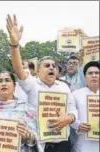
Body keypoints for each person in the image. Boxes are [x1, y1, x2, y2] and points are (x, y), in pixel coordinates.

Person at [6, 14, 77, 152]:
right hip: (39, 145)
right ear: (37, 71)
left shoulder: (63, 87)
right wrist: (14, 45)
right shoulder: (31, 84)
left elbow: (72, 109)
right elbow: (18, 68)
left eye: (53, 65)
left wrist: (69, 118)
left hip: (62, 144)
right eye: (47, 65)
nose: (52, 67)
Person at [70, 61, 100, 152]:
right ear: (84, 77)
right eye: (90, 73)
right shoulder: (76, 94)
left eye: (97, 73)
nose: (94, 76)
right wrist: (77, 125)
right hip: (83, 144)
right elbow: (69, 114)